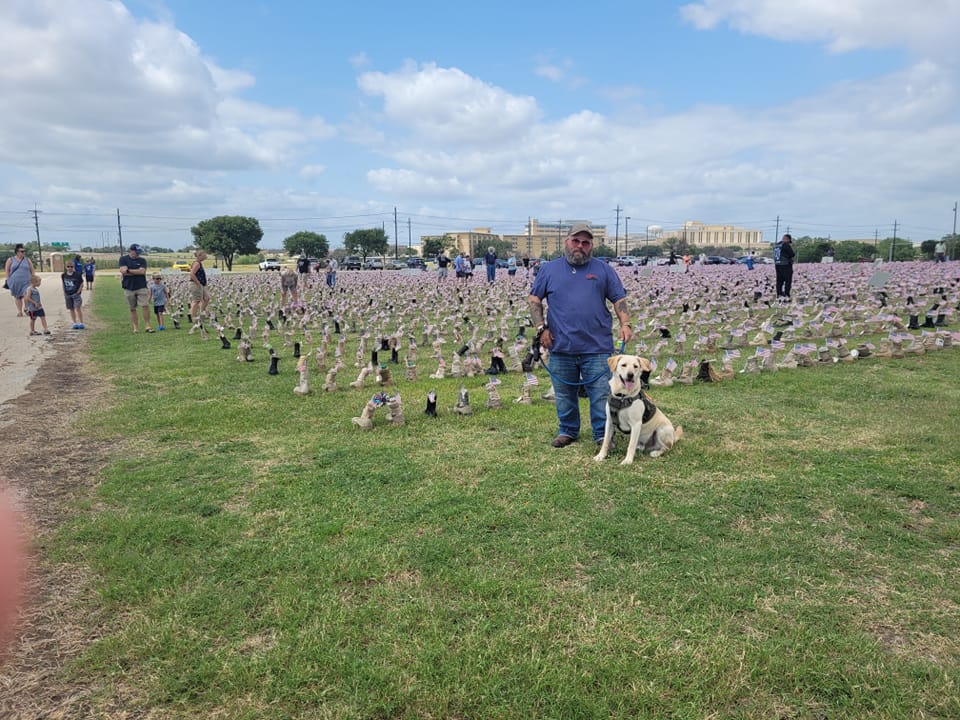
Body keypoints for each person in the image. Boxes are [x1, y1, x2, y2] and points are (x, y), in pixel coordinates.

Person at [528, 222, 633, 448]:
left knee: (600, 393)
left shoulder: (604, 269)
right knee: (564, 393)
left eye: (586, 242)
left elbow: (619, 299)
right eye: (576, 241)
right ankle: (568, 430)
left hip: (597, 346)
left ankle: (602, 434)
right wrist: (541, 328)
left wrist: (625, 323)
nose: (580, 246)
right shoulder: (549, 270)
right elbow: (534, 299)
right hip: (561, 345)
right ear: (566, 242)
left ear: (591, 246)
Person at [118, 243, 153, 333]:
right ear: (131, 251)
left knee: (145, 305)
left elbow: (142, 272)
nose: (138, 254)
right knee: (132, 308)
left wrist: (129, 270)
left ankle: (147, 325)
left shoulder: (142, 260)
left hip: (141, 286)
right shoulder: (123, 259)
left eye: (139, 252)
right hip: (128, 287)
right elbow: (123, 271)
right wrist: (135, 271)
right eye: (136, 252)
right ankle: (136, 327)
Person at [5, 243, 35, 317]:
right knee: (17, 296)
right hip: (15, 281)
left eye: (24, 251)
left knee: (27, 295)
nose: (23, 253)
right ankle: (19, 311)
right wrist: (8, 280)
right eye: (21, 251)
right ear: (17, 252)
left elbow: (32, 269)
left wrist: (33, 278)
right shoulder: (10, 260)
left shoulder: (27, 260)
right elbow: (7, 270)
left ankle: (26, 308)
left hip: (26, 281)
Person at [61, 259, 85, 329]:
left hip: (75, 294)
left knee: (77, 308)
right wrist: (64, 292)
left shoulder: (77, 275)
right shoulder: (63, 275)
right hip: (68, 294)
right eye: (68, 266)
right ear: (66, 267)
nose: (70, 268)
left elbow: (81, 283)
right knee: (71, 309)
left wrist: (78, 292)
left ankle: (81, 322)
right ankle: (74, 323)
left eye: (71, 267)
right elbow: (63, 284)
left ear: (73, 267)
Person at [189, 250, 211, 322]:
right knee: (196, 301)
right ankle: (193, 316)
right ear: (199, 256)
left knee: (207, 298)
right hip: (196, 284)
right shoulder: (197, 264)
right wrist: (198, 282)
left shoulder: (199, 263)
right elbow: (192, 274)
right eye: (204, 255)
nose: (205, 257)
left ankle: (202, 313)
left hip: (202, 284)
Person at [773, 233, 796, 301]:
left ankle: (779, 294)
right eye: (789, 241)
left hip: (777, 265)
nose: (789, 243)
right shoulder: (785, 245)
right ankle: (786, 295)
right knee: (788, 280)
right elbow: (792, 254)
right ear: (787, 239)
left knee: (779, 281)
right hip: (785, 265)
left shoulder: (777, 245)